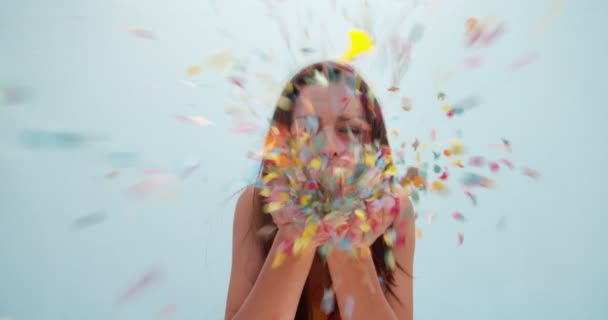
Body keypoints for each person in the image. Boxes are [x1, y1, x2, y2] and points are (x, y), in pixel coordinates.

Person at [225, 61, 415, 320]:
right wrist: (296, 235)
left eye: (350, 129)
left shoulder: (394, 209)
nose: (328, 147)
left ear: (372, 147)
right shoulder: (256, 204)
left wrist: (348, 244)